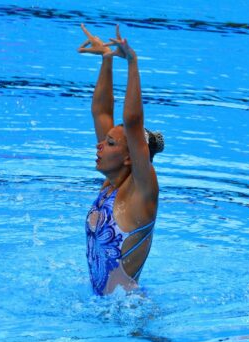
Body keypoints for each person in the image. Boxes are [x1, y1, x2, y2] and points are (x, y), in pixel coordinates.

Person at [78, 24, 164, 296]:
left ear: (131, 156)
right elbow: (101, 111)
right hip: (102, 309)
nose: (100, 145)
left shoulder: (142, 191)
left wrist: (131, 62)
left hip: (131, 315)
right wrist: (106, 59)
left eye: (110, 143)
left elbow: (133, 121)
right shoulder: (111, 184)